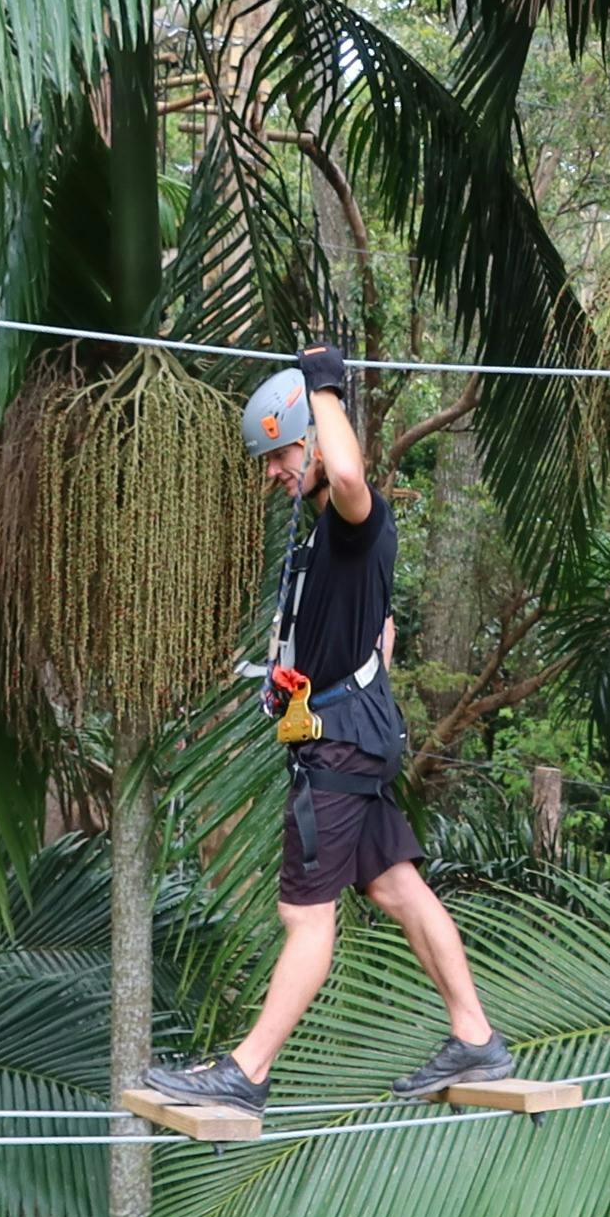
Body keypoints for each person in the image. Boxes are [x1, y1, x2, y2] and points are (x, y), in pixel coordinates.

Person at [140, 348, 515, 1113]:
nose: (274, 472)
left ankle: (246, 1073)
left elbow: (347, 475)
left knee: (305, 913)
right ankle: (476, 1037)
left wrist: (325, 387)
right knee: (396, 885)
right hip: (353, 729)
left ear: (313, 438)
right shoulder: (323, 538)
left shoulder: (354, 521)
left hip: (339, 742)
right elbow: (374, 631)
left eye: (281, 453)